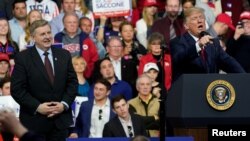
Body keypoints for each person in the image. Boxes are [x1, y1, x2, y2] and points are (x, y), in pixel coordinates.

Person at [11, 19, 78, 141]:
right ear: (33, 37)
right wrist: (37, 107)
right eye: (42, 34)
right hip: (34, 123)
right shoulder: (23, 58)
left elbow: (72, 83)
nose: (47, 37)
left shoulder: (64, 55)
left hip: (60, 123)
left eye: (48, 33)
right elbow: (17, 90)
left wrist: (63, 105)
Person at [170, 7, 245, 81]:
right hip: (188, 89)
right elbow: (179, 58)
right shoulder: (177, 42)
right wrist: (198, 45)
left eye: (201, 17)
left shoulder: (213, 43)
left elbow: (229, 62)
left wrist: (245, 78)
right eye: (194, 18)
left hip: (210, 89)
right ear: (186, 26)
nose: (199, 20)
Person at [54, 12, 99, 79]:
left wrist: (87, 71)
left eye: (74, 22)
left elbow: (94, 57)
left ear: (78, 24)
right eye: (69, 22)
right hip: (65, 77)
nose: (72, 25)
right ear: (64, 24)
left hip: (83, 76)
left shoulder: (85, 38)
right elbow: (54, 58)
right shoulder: (58, 38)